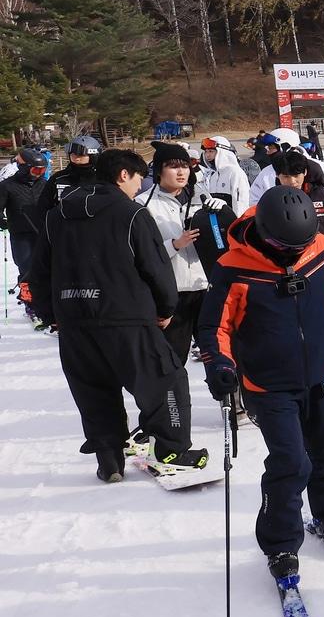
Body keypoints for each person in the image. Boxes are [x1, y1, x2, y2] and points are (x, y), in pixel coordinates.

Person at [197, 187, 324, 578]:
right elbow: (213, 327)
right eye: (285, 246)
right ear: (264, 232)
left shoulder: (321, 249)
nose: (295, 252)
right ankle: (280, 542)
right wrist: (219, 366)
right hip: (268, 383)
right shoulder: (234, 266)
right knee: (291, 462)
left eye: (302, 245)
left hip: (322, 375)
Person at [27, 149, 208, 481]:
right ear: (123, 174)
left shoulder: (57, 215)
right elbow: (155, 267)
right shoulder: (132, 214)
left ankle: (108, 458)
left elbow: (38, 272)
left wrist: (50, 313)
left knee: (94, 390)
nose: (140, 186)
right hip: (127, 317)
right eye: (139, 178)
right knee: (166, 380)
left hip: (74, 321)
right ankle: (171, 450)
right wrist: (166, 307)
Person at [268, 150, 324, 377]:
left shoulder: (321, 195)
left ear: (305, 172)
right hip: (292, 270)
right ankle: (316, 361)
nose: (292, 181)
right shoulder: (272, 200)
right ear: (278, 176)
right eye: (286, 176)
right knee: (305, 318)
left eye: (297, 174)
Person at [138, 141, 226, 363]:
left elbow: (224, 244)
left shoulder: (202, 199)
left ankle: (227, 396)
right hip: (171, 295)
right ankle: (173, 399)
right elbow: (142, 256)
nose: (180, 171)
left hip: (206, 289)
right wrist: (175, 245)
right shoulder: (144, 204)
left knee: (219, 355)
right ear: (159, 171)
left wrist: (222, 215)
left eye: (185, 166)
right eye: (172, 166)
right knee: (171, 361)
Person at [0, 147, 50, 326]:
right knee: (27, 270)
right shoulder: (7, 186)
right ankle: (31, 307)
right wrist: (2, 220)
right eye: (36, 170)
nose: (39, 174)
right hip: (21, 236)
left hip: (43, 233)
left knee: (46, 269)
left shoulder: (44, 184)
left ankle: (47, 305)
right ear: (23, 167)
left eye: (43, 171)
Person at [197, 136, 251, 214]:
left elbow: (241, 204)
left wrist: (238, 225)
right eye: (206, 151)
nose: (207, 155)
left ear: (222, 152)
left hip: (233, 221)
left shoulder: (235, 172)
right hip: (217, 222)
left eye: (211, 151)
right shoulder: (211, 174)